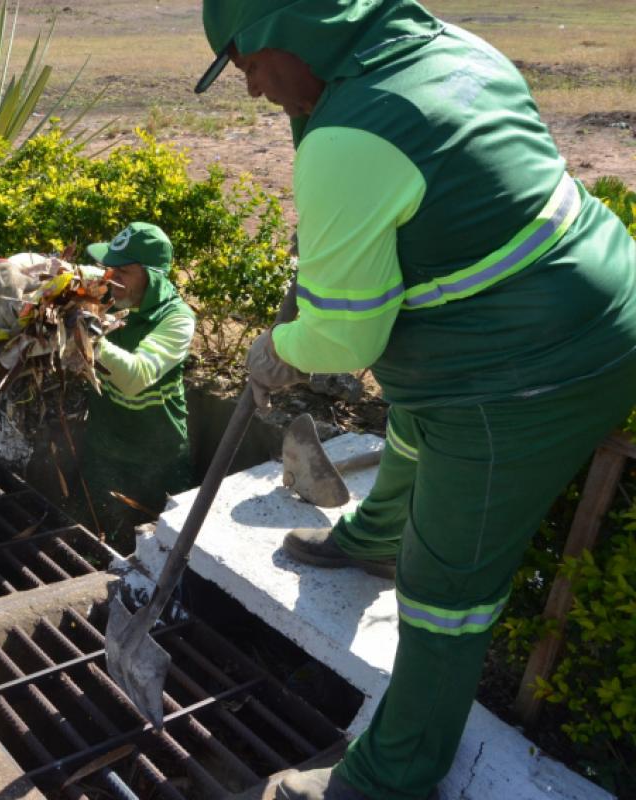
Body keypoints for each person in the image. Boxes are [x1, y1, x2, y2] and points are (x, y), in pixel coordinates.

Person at [195, 1, 636, 798]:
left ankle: (393, 772)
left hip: (529, 372)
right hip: (574, 300)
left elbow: (344, 343)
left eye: (249, 65)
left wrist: (278, 349)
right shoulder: (441, 48)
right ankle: (372, 538)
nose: (255, 90)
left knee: (445, 588)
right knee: (412, 423)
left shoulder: (352, 136)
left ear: (292, 37)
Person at [78, 222, 197, 539]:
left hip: (157, 461)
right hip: (103, 450)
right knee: (99, 535)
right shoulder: (106, 297)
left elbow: (135, 378)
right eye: (109, 267)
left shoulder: (176, 319)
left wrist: (85, 336)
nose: (110, 278)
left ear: (153, 276)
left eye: (124, 271)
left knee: (159, 547)